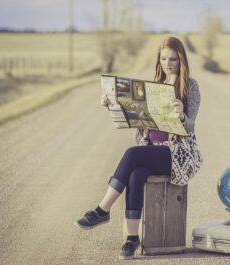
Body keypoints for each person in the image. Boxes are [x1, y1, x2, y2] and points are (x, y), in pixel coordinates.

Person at [75, 36, 202, 260]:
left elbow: (191, 125)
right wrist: (112, 104)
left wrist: (181, 113)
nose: (168, 63)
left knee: (131, 154)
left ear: (181, 60)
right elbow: (134, 114)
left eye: (173, 58)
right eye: (163, 58)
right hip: (152, 148)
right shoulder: (153, 85)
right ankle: (132, 239)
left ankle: (102, 210)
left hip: (177, 153)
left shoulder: (190, 87)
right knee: (135, 174)